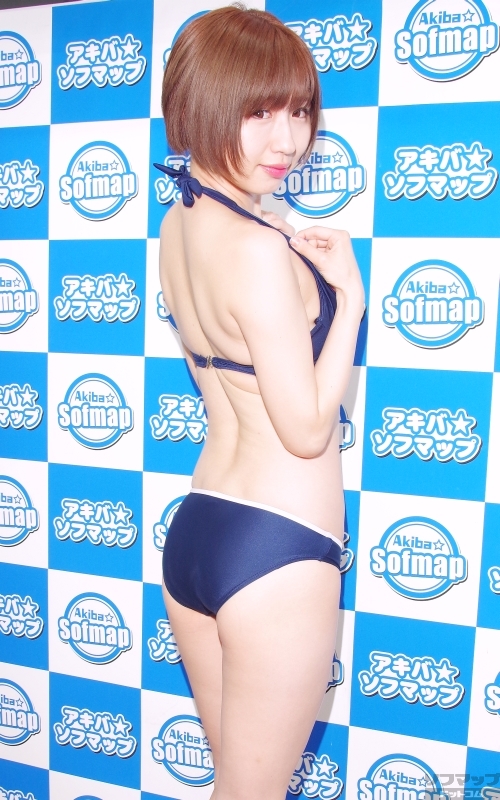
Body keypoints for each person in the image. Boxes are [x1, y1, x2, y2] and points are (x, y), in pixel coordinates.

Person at [157, 5, 365, 799]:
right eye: (259, 113)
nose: (287, 140)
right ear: (205, 107)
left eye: (300, 111)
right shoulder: (257, 247)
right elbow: (306, 430)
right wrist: (349, 302)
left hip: (203, 528)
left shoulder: (179, 225)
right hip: (278, 547)